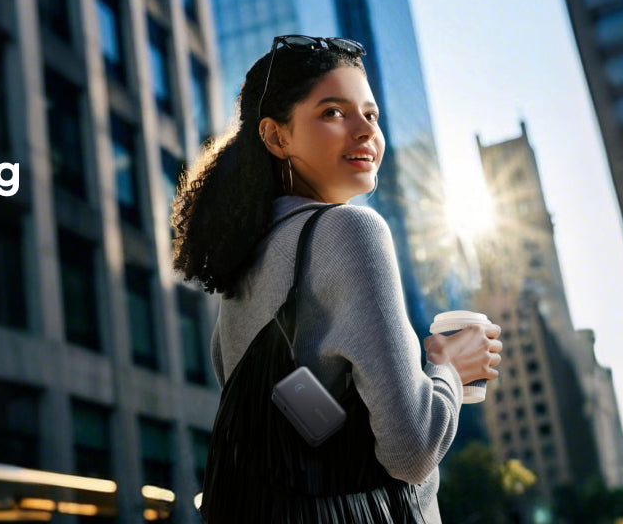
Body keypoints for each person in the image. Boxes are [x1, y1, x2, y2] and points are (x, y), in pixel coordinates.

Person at [172, 35, 502, 523]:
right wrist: (448, 367)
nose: (364, 130)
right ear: (277, 136)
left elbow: (315, 436)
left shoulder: (245, 273)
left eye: (371, 115)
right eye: (333, 112)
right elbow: (409, 451)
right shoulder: (351, 230)